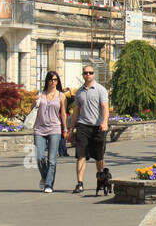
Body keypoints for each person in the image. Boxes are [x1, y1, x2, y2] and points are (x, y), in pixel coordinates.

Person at [68, 65, 109, 194]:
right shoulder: (79, 92)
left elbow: (105, 107)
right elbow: (75, 112)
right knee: (81, 155)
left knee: (99, 157)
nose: (88, 75)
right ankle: (79, 183)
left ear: (94, 74)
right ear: (83, 75)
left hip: (98, 127)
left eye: (90, 73)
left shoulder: (100, 90)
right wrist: (71, 129)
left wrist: (105, 122)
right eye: (85, 73)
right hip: (83, 126)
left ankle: (101, 179)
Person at [32, 71, 69, 193]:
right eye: (51, 79)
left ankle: (49, 184)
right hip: (39, 128)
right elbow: (33, 110)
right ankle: (44, 176)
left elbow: (63, 113)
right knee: (39, 157)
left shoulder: (61, 96)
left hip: (55, 128)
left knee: (52, 160)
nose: (53, 82)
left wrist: (65, 129)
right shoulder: (40, 94)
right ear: (47, 81)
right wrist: (34, 102)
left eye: (55, 80)